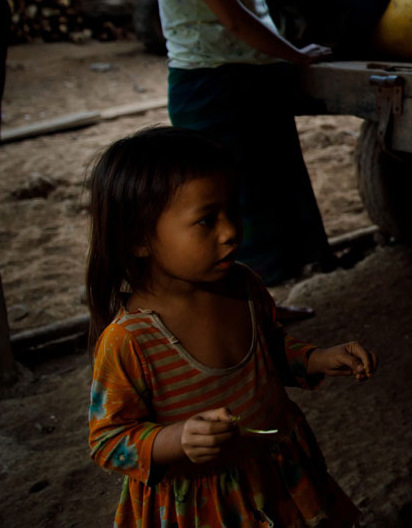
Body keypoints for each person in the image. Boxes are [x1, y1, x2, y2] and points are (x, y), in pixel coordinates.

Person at [86, 126, 377, 527]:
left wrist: (317, 359)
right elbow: (106, 442)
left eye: (232, 211)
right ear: (139, 239)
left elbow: (268, 350)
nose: (230, 231)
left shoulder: (243, 285)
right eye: (206, 220)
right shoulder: (129, 341)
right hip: (208, 508)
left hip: (280, 477)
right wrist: (174, 440)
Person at [144, 0, 338, 287]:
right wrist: (296, 54)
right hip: (215, 92)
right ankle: (249, 309)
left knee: (268, 193)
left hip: (246, 87)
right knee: (239, 201)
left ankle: (267, 301)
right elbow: (234, 19)